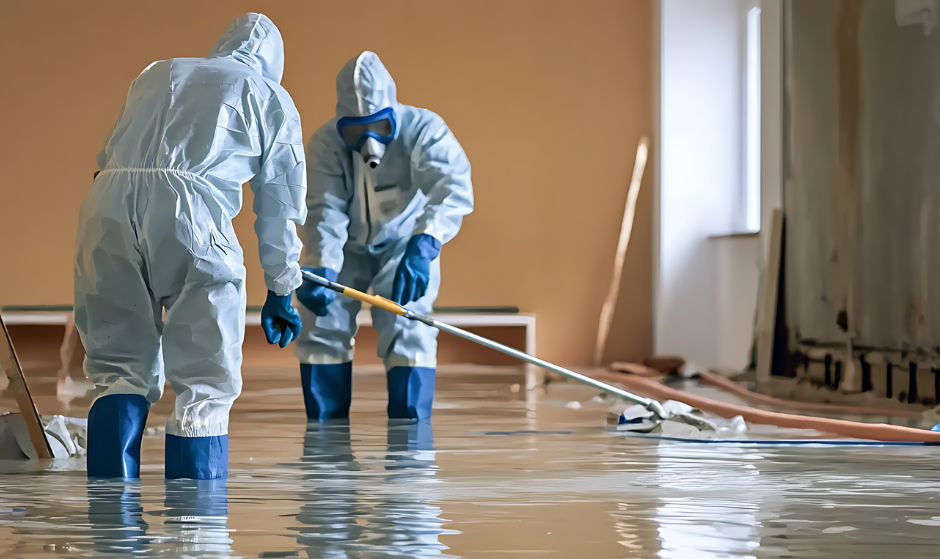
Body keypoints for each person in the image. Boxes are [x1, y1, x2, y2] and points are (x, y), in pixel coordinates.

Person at [74, 13, 306, 480]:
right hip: (191, 217)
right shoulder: (269, 96)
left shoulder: (159, 71)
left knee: (117, 370)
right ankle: (194, 532)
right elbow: (280, 206)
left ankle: (109, 535)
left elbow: (107, 157)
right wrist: (282, 287)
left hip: (105, 211)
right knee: (204, 383)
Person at [294, 51, 473, 422]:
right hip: (344, 250)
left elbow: (452, 189)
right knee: (322, 324)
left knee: (408, 323)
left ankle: (410, 440)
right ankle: (325, 442)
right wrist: (321, 266)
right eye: (355, 131)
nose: (369, 141)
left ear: (392, 114)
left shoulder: (424, 130)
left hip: (404, 246)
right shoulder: (325, 143)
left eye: (379, 127)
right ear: (342, 126)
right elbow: (324, 209)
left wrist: (425, 244)